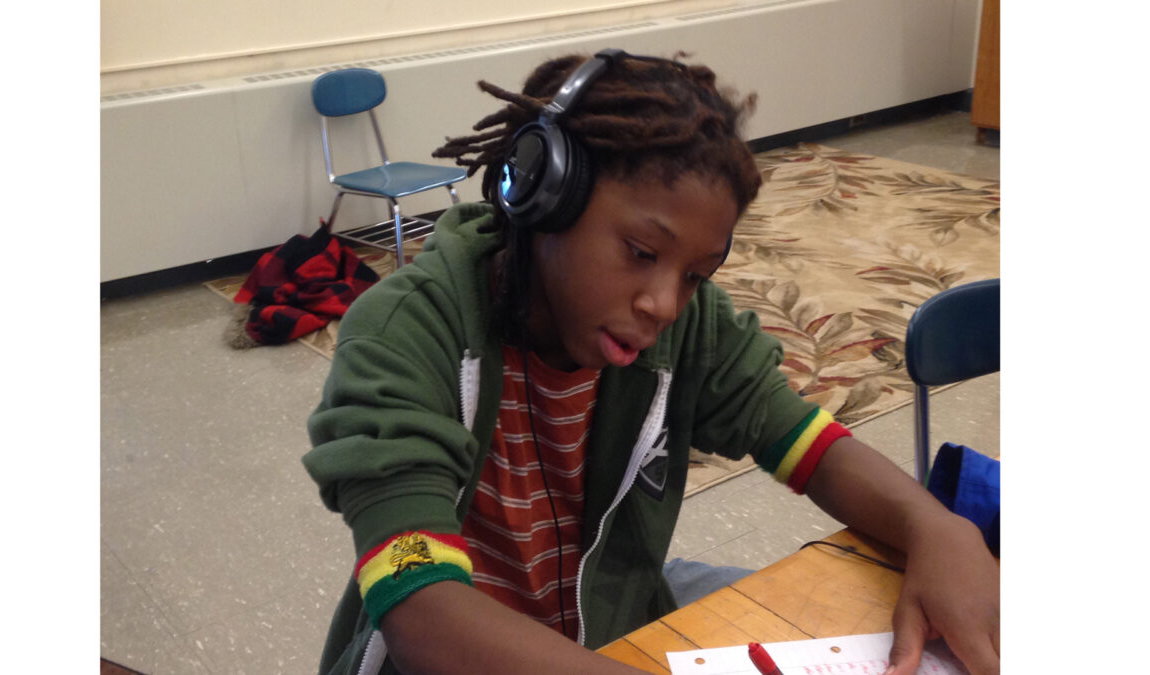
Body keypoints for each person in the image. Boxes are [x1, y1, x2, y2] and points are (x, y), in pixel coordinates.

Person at [303, 49, 999, 675]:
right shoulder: (404, 334)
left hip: (611, 618)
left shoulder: (686, 326)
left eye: (696, 273)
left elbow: (811, 445)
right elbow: (422, 611)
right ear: (542, 195)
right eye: (641, 252)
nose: (665, 303)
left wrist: (936, 527)